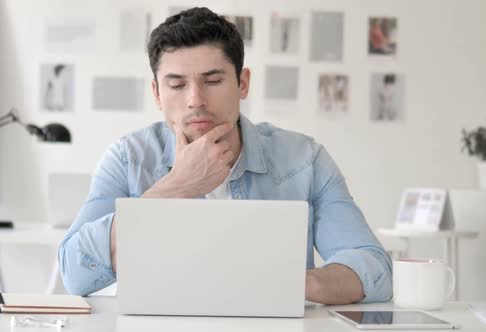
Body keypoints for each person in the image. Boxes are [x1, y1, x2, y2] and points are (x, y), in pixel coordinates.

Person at [59, 7, 392, 305]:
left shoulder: (304, 160)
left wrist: (292, 282)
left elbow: (374, 267)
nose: (195, 100)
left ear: (242, 84)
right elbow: (74, 272)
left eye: (213, 80)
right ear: (157, 94)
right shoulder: (128, 158)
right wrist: (175, 187)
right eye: (176, 85)